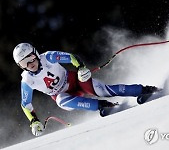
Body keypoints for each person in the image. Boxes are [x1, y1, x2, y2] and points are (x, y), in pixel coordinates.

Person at [13, 43, 159, 136]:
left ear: (36, 53)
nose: (30, 63)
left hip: (77, 81)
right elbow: (25, 104)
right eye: (24, 63)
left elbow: (71, 57)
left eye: (31, 57)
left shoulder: (48, 57)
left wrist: (81, 68)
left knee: (102, 91)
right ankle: (103, 106)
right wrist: (34, 121)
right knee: (60, 101)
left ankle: (143, 90)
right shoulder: (27, 80)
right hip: (65, 95)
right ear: (20, 66)